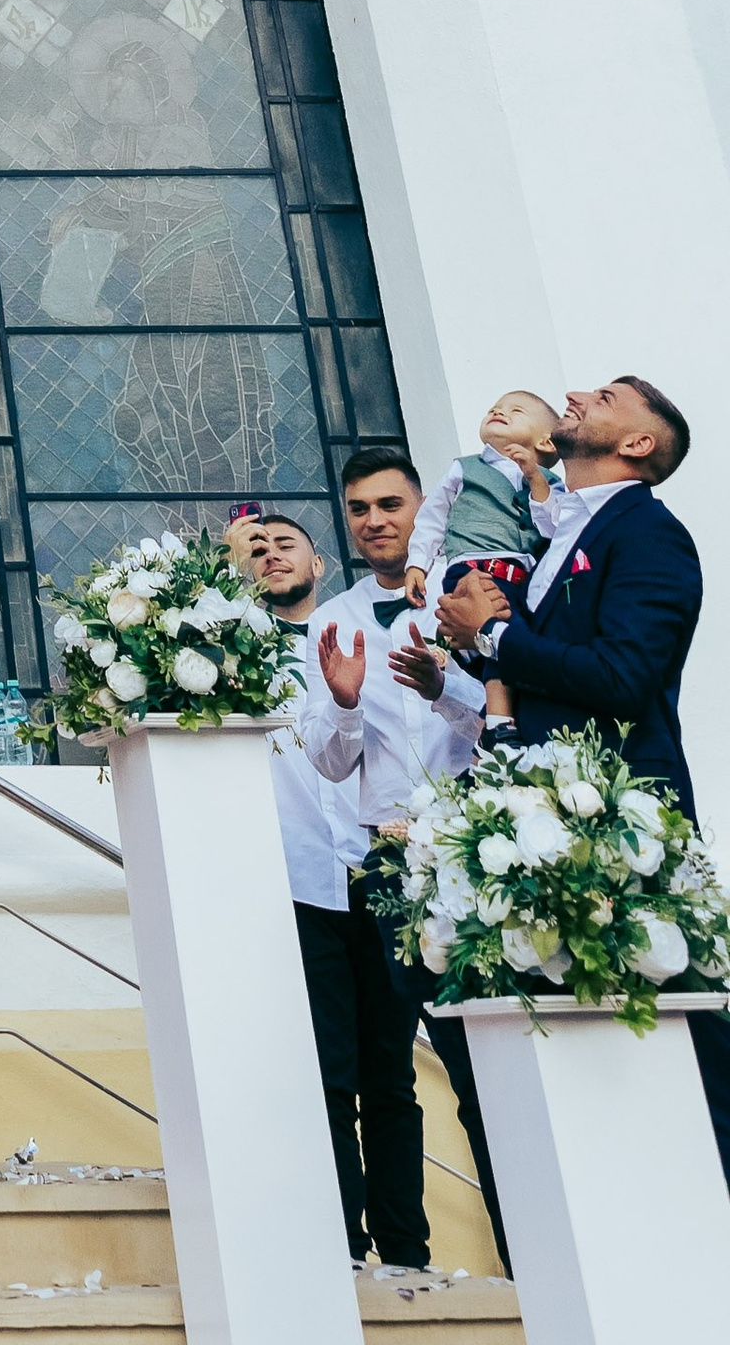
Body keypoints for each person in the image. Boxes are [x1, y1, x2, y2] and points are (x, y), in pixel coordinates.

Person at [431, 372, 730, 1177]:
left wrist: (495, 633)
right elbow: (542, 672)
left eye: (605, 396)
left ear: (638, 444)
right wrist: (474, 645)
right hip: (547, 831)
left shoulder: (646, 534)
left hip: (624, 825)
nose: (577, 394)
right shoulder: (556, 528)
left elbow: (624, 674)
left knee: (689, 1066)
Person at [300, 452, 491, 1268]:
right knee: (386, 1064)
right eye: (357, 508)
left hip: (475, 854)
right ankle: (403, 1253)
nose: (374, 520)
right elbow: (331, 764)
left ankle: (527, 1248)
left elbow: (501, 723)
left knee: (479, 1063)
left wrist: (443, 685)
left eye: (389, 503)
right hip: (384, 870)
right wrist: (343, 705)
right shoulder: (331, 618)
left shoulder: (472, 600)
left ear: (422, 509)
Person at [225, 504, 427, 1268]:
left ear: (317, 566)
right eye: (254, 548)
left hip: (382, 874)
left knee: (392, 1072)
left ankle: (408, 1246)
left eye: (287, 544)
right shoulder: (223, 657)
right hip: (297, 880)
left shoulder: (368, 635)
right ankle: (341, 1240)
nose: (271, 554)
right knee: (326, 1072)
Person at [405, 388, 566, 605]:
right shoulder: (463, 468)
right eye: (494, 409)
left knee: (515, 633)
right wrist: (418, 563)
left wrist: (534, 478)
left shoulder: (551, 483)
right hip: (470, 569)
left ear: (545, 443)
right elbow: (433, 517)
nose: (498, 412)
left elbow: (555, 529)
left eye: (516, 411)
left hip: (526, 580)